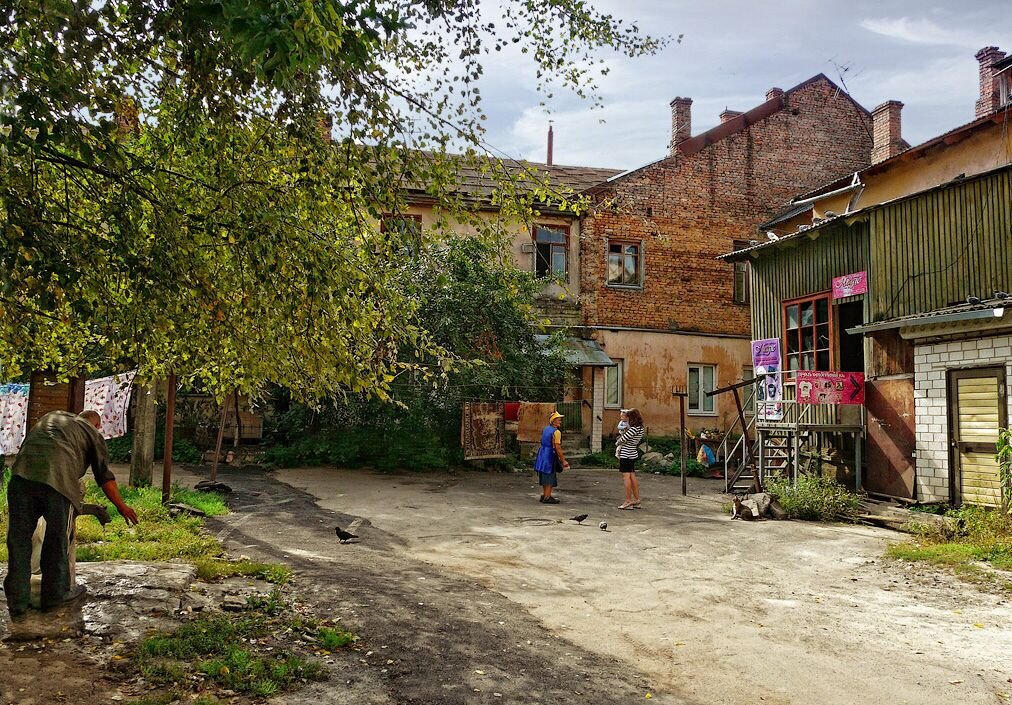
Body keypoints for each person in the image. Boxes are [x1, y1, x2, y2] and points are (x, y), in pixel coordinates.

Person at [5, 409, 139, 620]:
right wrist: (122, 507)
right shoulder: (93, 434)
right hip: (59, 485)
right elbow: (104, 477)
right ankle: (55, 597)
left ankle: (17, 602)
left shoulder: (53, 416)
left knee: (19, 541)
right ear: (96, 425)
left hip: (21, 478)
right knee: (57, 539)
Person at [533, 411, 569, 504]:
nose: (560, 422)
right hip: (549, 455)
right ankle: (547, 497)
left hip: (542, 453)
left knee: (544, 475)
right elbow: (557, 447)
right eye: (558, 420)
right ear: (553, 421)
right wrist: (563, 460)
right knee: (550, 476)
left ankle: (545, 495)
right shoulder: (556, 432)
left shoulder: (546, 429)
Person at [615, 408, 645, 509]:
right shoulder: (640, 428)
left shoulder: (633, 429)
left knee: (626, 477)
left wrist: (617, 442)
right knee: (632, 476)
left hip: (626, 454)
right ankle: (636, 500)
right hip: (632, 453)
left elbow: (621, 440)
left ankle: (628, 500)